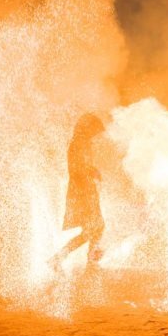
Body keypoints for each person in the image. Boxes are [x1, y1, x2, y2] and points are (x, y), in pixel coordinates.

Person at [50, 113, 106, 270]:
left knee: (94, 228)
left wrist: (92, 171)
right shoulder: (79, 143)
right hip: (83, 191)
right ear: (88, 128)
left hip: (83, 189)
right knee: (96, 227)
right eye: (94, 130)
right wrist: (91, 171)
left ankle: (63, 257)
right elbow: (77, 168)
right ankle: (88, 261)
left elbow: (80, 166)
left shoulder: (81, 142)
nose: (96, 135)